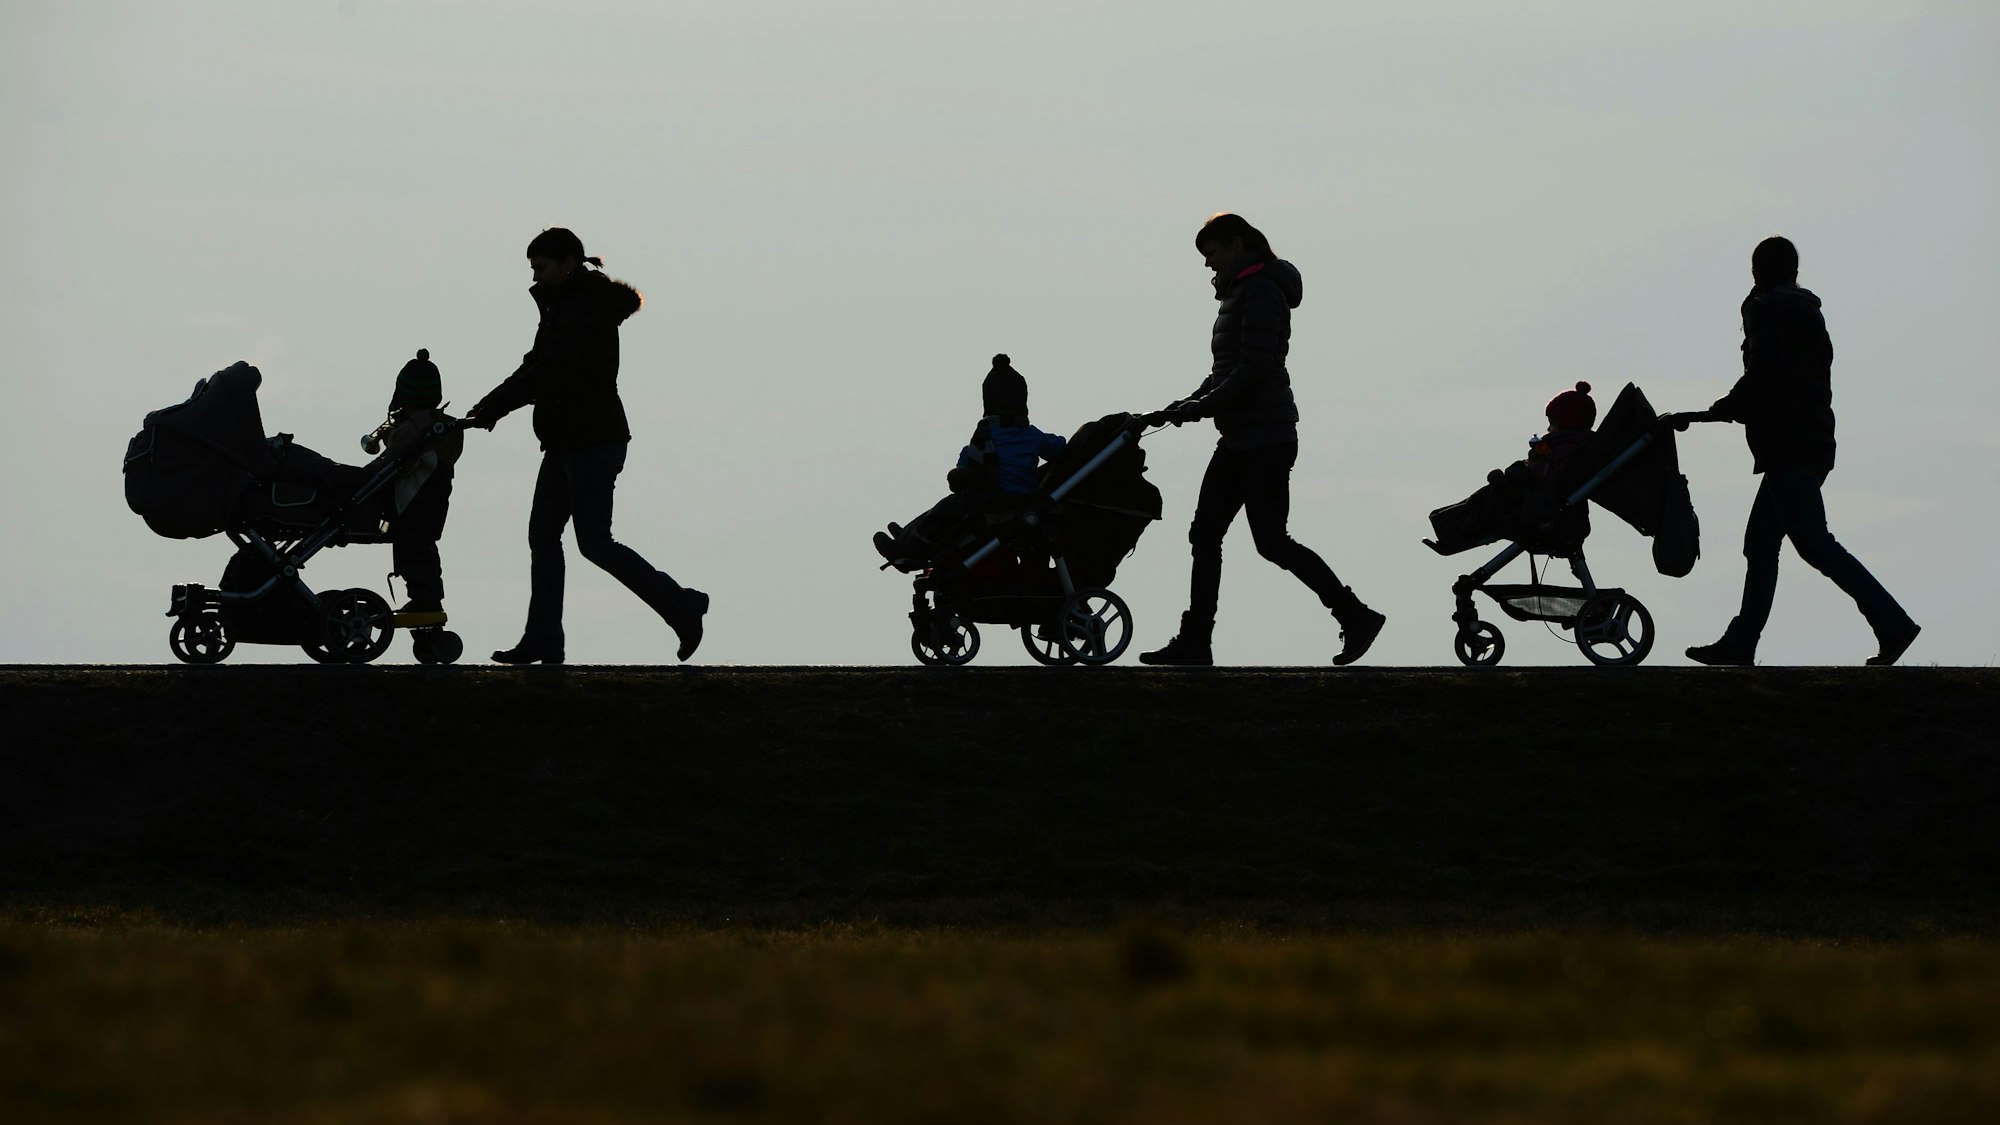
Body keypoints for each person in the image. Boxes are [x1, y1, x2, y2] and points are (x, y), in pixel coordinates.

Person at [1140, 213, 1384, 667]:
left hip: (1266, 438)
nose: (1207, 265)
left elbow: (1253, 369)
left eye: (1210, 253)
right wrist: (1183, 405)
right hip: (1239, 437)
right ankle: (1196, 640)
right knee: (1205, 534)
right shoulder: (1239, 293)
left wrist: (1199, 407)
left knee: (1271, 542)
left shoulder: (1263, 290)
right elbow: (1224, 370)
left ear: (1236, 245)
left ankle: (1355, 615)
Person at [1668, 235, 1919, 667]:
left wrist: (1716, 412)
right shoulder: (1807, 311)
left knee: (1814, 543)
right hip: (1812, 439)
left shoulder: (1765, 307)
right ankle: (1742, 641)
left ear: (1756, 271)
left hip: (1789, 445)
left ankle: (1892, 623)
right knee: (1762, 545)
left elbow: (1767, 374)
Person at [465, 227, 708, 665]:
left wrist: (493, 408)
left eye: (541, 267)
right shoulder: (564, 307)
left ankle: (681, 605)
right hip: (565, 439)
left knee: (594, 543)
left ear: (567, 263)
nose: (535, 276)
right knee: (544, 536)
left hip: (593, 439)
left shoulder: (583, 309)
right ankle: (543, 639)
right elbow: (535, 363)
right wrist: (487, 406)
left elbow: (548, 370)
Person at [872, 354, 1066, 566]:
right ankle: (909, 537)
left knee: (946, 509)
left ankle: (910, 543)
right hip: (1025, 499)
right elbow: (1058, 447)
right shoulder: (1031, 435)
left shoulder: (984, 435)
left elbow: (964, 465)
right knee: (953, 509)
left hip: (996, 504)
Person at [359, 348, 462, 626]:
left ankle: (426, 601)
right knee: (421, 548)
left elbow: (386, 464)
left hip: (411, 503)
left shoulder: (412, 429)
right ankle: (424, 599)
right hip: (435, 501)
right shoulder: (445, 427)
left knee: (412, 548)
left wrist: (356, 479)